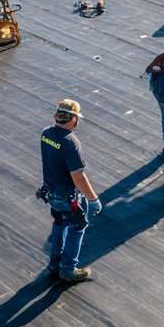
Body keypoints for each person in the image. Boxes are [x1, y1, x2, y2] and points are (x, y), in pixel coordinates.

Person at [40, 99, 101, 282]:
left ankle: (54, 263)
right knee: (78, 226)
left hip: (52, 192)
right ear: (74, 119)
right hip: (68, 195)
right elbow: (78, 177)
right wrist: (93, 199)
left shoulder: (46, 134)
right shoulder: (70, 142)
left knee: (59, 222)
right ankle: (68, 268)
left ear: (57, 115)